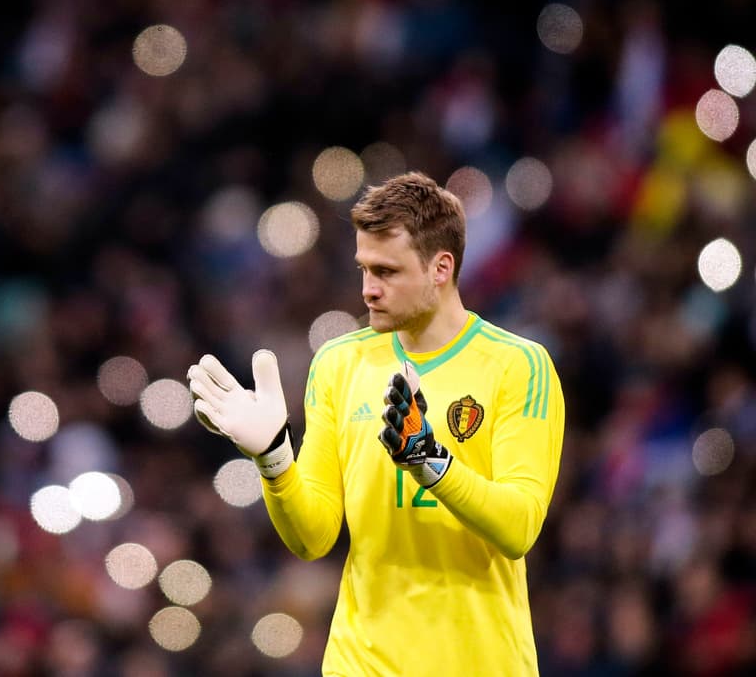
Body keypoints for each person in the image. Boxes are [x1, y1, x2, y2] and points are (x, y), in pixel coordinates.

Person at [188, 171, 565, 676]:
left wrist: (429, 461)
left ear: (441, 268)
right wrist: (274, 459)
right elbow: (314, 538)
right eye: (364, 270)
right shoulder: (338, 363)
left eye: (386, 272)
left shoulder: (519, 366)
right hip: (360, 663)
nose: (368, 290)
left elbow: (519, 527)